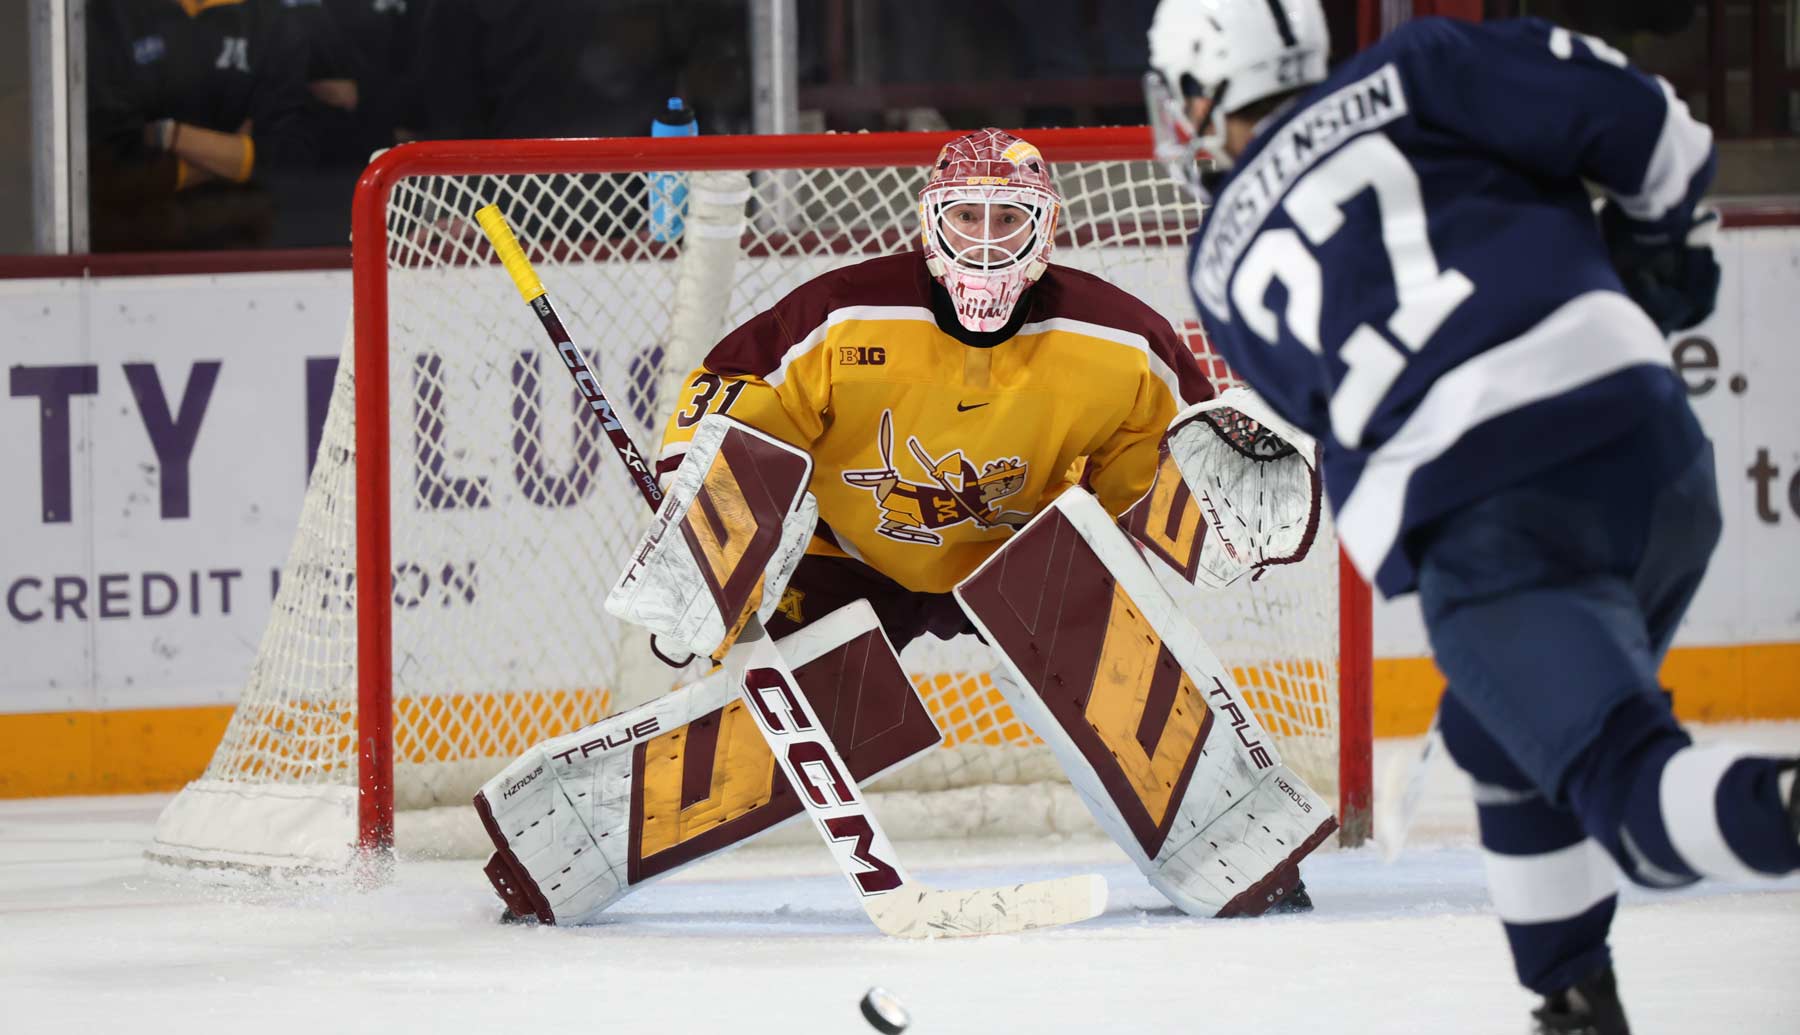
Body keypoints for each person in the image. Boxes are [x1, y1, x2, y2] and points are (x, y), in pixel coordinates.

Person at [476, 128, 1336, 927]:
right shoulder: (843, 315)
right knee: (800, 707)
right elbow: (733, 394)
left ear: (1047, 230)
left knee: (1103, 635)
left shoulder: (1117, 339)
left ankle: (1238, 839)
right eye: (968, 215)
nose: (988, 239)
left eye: (1010, 218)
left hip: (1017, 557)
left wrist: (1219, 494)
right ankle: (559, 846)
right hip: (847, 553)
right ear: (929, 223)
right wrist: (704, 523)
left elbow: (1172, 462)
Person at [1144, 3, 1799, 1032]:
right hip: (1654, 454)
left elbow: (1345, 417)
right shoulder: (1424, 62)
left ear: (1200, 95)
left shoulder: (1219, 265)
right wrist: (1659, 241)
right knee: (1503, 743)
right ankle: (1574, 1000)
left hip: (1492, 519)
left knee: (1632, 804)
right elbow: (1650, 122)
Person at [87, 0, 318, 251]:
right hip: (130, 250)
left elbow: (286, 155)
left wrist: (167, 135)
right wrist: (232, 154)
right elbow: (105, 164)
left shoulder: (275, 22)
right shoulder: (110, 13)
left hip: (250, 246)